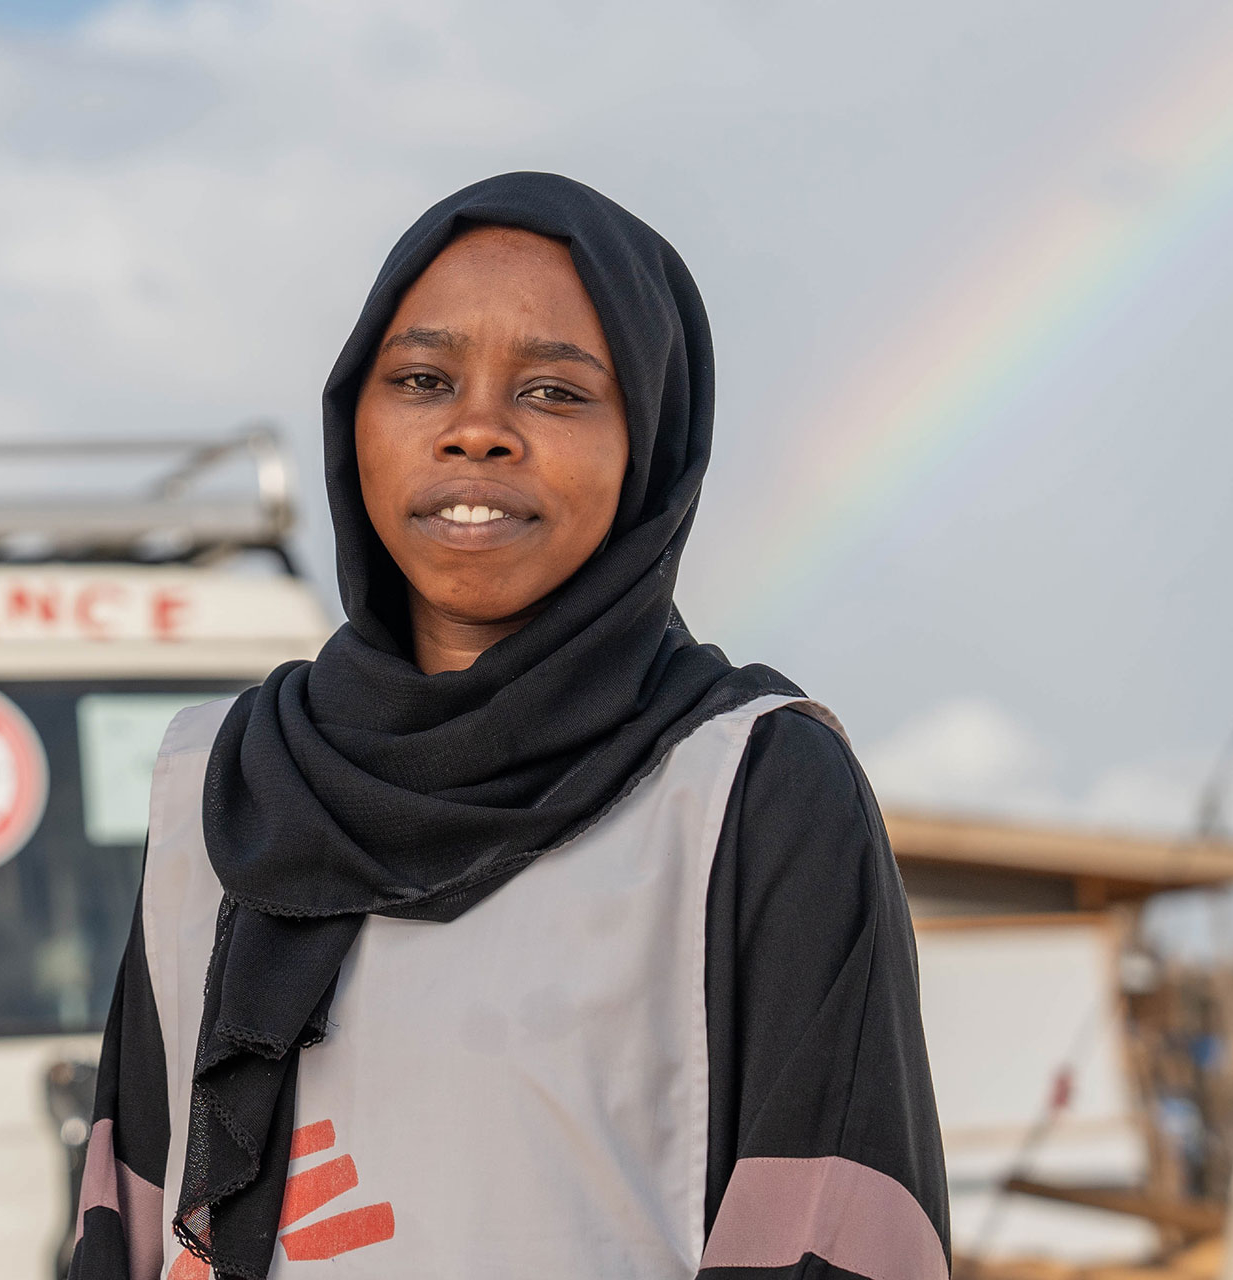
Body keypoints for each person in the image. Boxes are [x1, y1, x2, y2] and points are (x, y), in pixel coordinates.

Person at [70, 172, 947, 1279]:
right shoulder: (225, 787)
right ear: (358, 420)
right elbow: (133, 1213)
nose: (476, 430)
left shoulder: (751, 786)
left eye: (555, 392)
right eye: (424, 378)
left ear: (653, 447)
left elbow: (840, 1231)